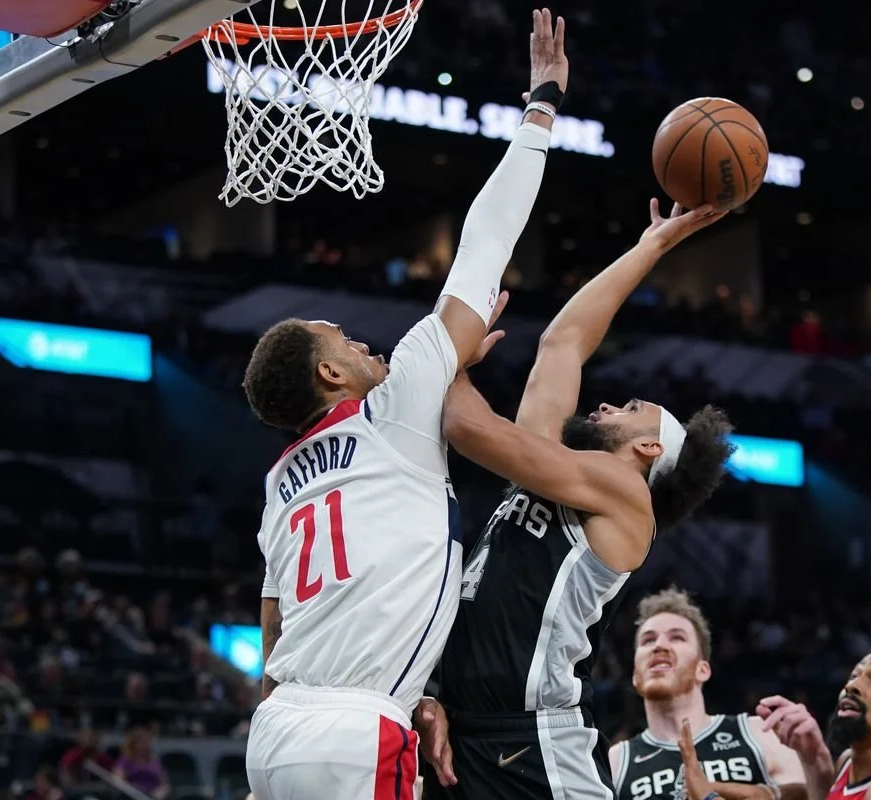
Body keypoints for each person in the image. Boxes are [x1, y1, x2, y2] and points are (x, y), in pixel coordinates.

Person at [241, 9, 568, 799]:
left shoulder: (283, 482)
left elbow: (274, 629)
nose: (367, 347)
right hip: (357, 729)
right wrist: (542, 107)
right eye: (347, 343)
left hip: (276, 727)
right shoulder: (396, 404)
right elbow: (486, 241)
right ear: (329, 377)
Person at [415, 198, 736, 799]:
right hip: (464, 728)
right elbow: (562, 344)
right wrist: (652, 247)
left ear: (646, 451)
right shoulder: (555, 471)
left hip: (533, 741)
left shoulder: (623, 496)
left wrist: (448, 352)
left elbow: (468, 428)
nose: (610, 405)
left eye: (631, 410)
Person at [677, 643, 871, 800]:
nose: (853, 686)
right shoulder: (847, 764)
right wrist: (707, 785)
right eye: (854, 675)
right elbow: (789, 796)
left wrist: (707, 797)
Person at [610, 588, 806, 800]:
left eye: (677, 637)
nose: (659, 645)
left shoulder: (760, 733)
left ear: (702, 669)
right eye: (648, 640)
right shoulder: (615, 762)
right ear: (635, 676)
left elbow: (813, 794)